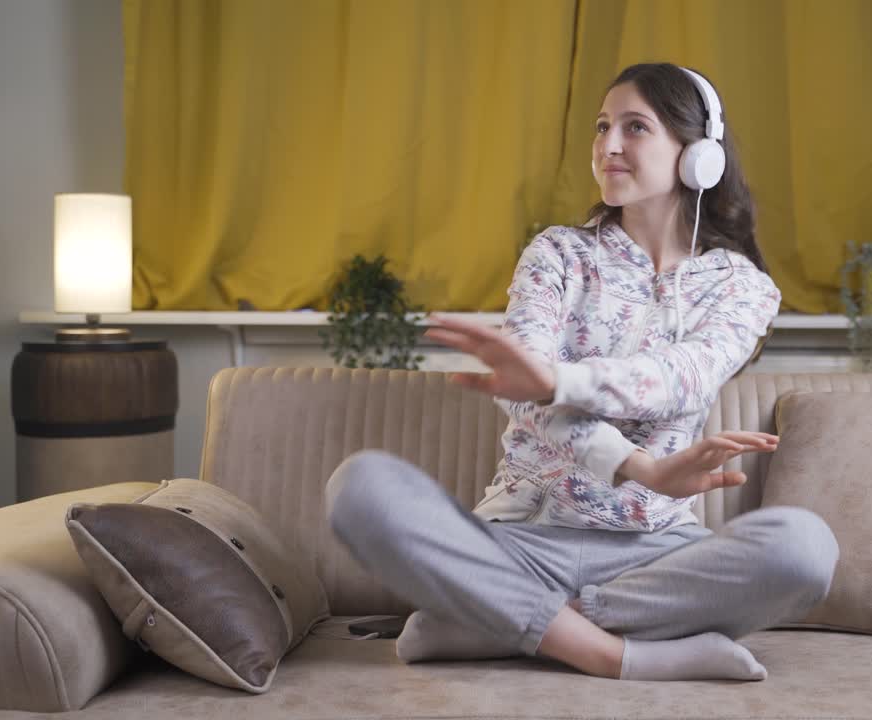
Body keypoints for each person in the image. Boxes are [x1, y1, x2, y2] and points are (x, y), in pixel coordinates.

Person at [325, 63, 839, 682]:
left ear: (698, 154)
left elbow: (683, 377)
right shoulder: (557, 254)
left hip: (656, 557)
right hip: (521, 537)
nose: (608, 145)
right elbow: (525, 397)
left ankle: (511, 624)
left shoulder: (742, 287)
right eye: (601, 126)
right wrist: (640, 466)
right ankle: (614, 653)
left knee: (805, 548)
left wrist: (557, 380)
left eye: (635, 127)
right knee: (360, 487)